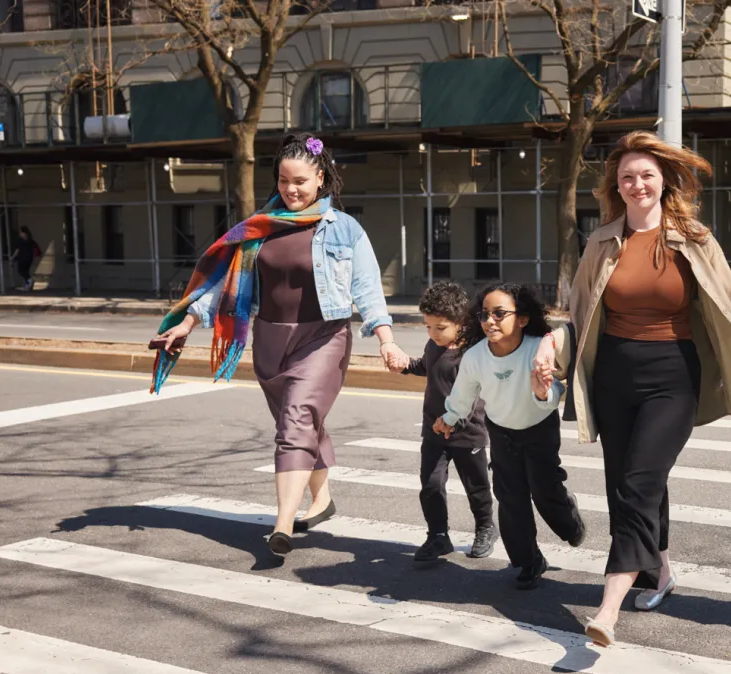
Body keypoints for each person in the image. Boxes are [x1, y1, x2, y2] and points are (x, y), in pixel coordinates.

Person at [539, 130, 731, 648]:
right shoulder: (602, 241)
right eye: (627, 177)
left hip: (674, 375)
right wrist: (550, 347)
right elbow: (581, 314)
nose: (637, 185)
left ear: (663, 181)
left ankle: (607, 609)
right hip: (613, 376)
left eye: (646, 175)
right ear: (618, 185)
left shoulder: (694, 239)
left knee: (639, 482)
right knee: (627, 483)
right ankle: (661, 571)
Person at [149, 132, 402, 557]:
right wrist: (189, 321)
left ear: (321, 178)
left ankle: (282, 522)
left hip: (323, 338)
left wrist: (386, 340)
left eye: (301, 181)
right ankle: (322, 500)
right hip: (269, 339)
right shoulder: (258, 229)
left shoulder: (344, 229)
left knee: (296, 421)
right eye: (284, 181)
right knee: (301, 423)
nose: (291, 189)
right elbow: (226, 287)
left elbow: (368, 290)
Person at [437, 282, 585, 590]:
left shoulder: (537, 348)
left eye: (500, 313)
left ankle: (568, 521)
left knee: (545, 489)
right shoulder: (476, 356)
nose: (490, 321)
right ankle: (529, 561)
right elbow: (463, 394)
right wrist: (449, 418)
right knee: (510, 497)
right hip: (501, 431)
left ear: (522, 318)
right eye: (484, 315)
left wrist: (542, 390)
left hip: (540, 428)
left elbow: (554, 390)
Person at [388, 281, 498, 562]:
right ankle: (438, 536)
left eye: (440, 327)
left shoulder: (472, 353)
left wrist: (455, 422)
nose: (433, 333)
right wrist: (405, 366)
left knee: (476, 487)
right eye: (427, 327)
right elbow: (427, 366)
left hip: (467, 432)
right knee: (431, 485)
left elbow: (472, 397)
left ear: (460, 323)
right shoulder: (433, 345)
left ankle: (485, 527)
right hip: (433, 432)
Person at [13, 227, 40, 292]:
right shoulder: (31, 240)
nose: (20, 234)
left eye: (21, 232)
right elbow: (36, 248)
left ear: (24, 233)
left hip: (22, 258)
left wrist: (13, 257)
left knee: (21, 271)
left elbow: (17, 250)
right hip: (29, 258)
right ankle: (27, 285)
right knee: (25, 272)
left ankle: (29, 281)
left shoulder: (20, 240)